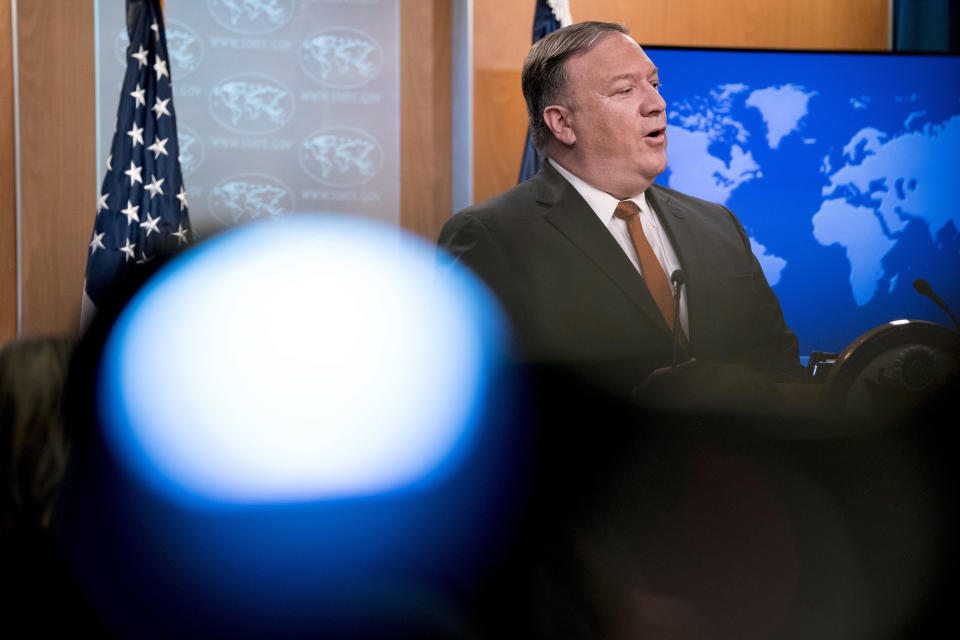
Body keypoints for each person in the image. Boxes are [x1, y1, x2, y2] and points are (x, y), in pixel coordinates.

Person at [439, 21, 803, 400]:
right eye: (626, 90)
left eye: (654, 84)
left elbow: (782, 373)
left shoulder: (718, 226)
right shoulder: (490, 238)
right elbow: (474, 408)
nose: (657, 104)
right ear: (562, 123)